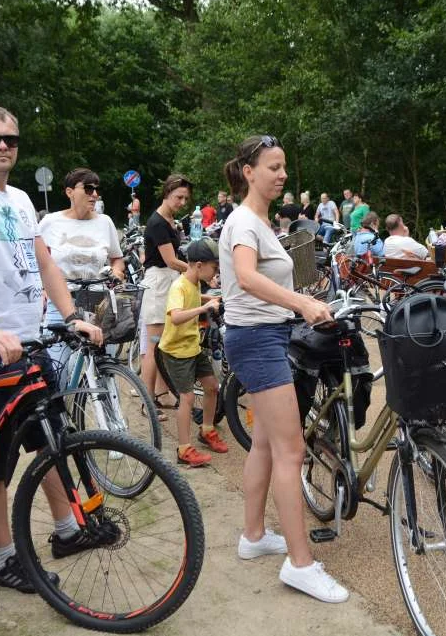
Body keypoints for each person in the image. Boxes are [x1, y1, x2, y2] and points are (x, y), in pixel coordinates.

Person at [0, 103, 105, 593]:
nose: (4, 145)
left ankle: (67, 530)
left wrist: (71, 315)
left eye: (10, 138)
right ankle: (6, 559)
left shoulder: (23, 198)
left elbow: (44, 262)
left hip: (28, 344)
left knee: (50, 440)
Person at [220, 134, 349, 603]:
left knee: (265, 443)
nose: (282, 175)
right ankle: (300, 564)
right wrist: (301, 302)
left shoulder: (258, 222)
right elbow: (248, 278)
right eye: (273, 167)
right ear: (248, 172)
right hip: (257, 341)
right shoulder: (241, 223)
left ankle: (253, 536)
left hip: (265, 336)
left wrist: (304, 300)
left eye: (284, 167)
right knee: (291, 450)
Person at [38, 167, 124, 379]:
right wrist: (42, 289)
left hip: (98, 302)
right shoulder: (50, 222)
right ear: (69, 192)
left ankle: (105, 412)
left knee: (104, 369)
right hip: (62, 300)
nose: (94, 194)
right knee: (59, 371)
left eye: (96, 189)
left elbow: (117, 257)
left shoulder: (105, 222)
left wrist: (116, 272)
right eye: (88, 188)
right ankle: (60, 409)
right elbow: (36, 260)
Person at [159, 237, 227, 467]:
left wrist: (211, 298)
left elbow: (194, 297)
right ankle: (184, 449)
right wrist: (204, 307)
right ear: (199, 265)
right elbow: (176, 316)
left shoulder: (194, 282)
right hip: (176, 351)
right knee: (187, 398)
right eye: (214, 268)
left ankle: (206, 430)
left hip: (192, 347)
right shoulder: (178, 286)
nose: (215, 274)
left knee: (212, 387)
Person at [140, 174, 191, 414]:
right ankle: (147, 402)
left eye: (185, 198)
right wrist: (196, 270)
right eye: (178, 197)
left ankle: (161, 393)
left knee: (163, 345)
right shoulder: (158, 222)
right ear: (167, 193)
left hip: (168, 282)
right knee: (154, 347)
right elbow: (171, 260)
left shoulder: (170, 219)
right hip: (159, 282)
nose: (182, 202)